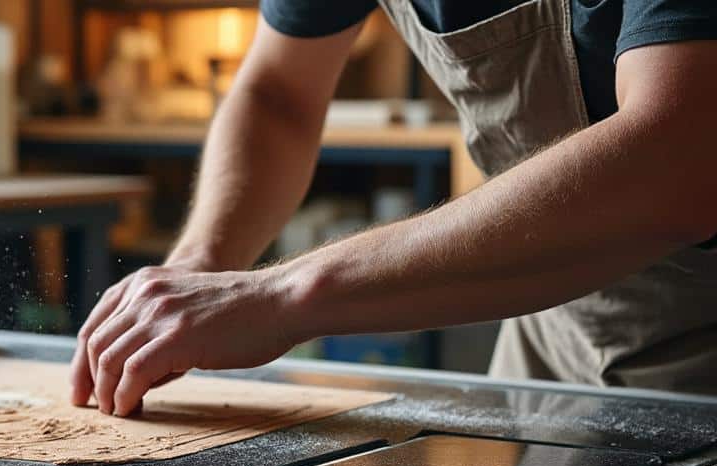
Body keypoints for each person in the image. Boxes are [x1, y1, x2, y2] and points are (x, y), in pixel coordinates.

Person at [70, 0, 717, 417]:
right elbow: (278, 95)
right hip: (559, 340)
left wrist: (284, 297)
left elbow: (677, 160)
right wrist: (199, 268)